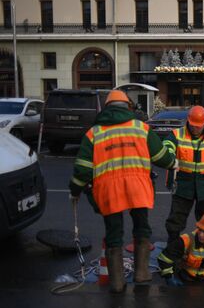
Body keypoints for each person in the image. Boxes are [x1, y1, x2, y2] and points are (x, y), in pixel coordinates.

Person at [69, 90, 176, 293]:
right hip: (138, 188)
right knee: (142, 227)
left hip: (109, 190)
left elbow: (82, 169)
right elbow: (161, 157)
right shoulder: (141, 128)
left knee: (113, 233)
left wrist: (74, 190)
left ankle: (117, 283)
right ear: (128, 106)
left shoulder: (94, 133)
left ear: (107, 107)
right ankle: (142, 273)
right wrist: (173, 162)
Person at [162, 105, 204, 244]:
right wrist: (169, 154)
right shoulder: (177, 134)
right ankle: (173, 244)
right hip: (183, 184)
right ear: (188, 121)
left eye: (198, 126)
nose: (195, 129)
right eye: (193, 125)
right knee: (176, 218)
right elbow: (167, 144)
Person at [157, 212, 204, 285]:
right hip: (186, 276)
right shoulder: (185, 241)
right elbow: (164, 259)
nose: (201, 235)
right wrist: (169, 277)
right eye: (199, 229)